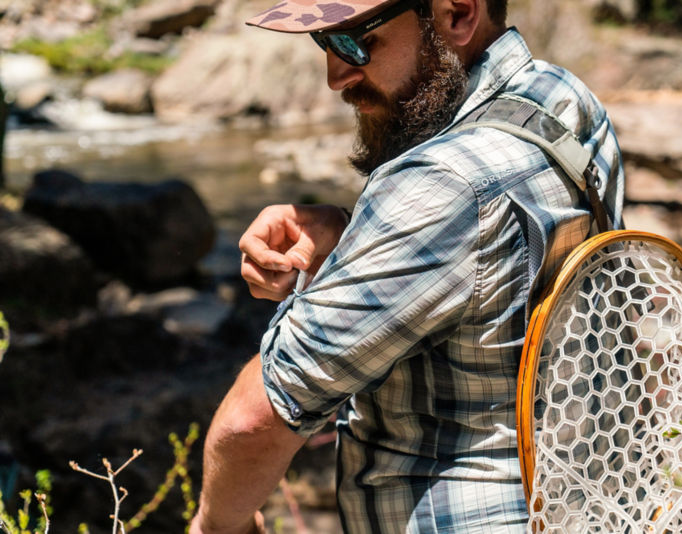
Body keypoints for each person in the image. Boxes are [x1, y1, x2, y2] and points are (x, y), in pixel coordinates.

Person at [189, 0, 625, 530]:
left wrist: (213, 525)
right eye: (323, 41)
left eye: (355, 42)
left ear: (458, 14)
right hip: (578, 502)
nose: (336, 75)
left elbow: (258, 417)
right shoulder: (562, 98)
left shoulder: (443, 185)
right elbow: (497, 268)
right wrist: (354, 234)